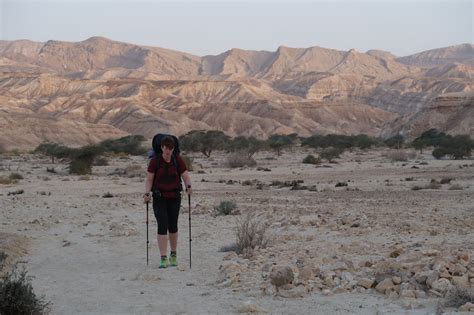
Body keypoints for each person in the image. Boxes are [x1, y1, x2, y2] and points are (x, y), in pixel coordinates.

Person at [143, 136, 192, 268]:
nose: (168, 151)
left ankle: (174, 254)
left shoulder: (177, 160)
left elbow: (185, 175)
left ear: (173, 148)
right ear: (161, 148)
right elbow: (149, 179)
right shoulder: (155, 161)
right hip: (159, 198)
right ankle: (163, 258)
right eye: (166, 148)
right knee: (162, 225)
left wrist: (189, 186)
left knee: (173, 226)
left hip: (175, 197)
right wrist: (147, 193)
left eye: (170, 148)